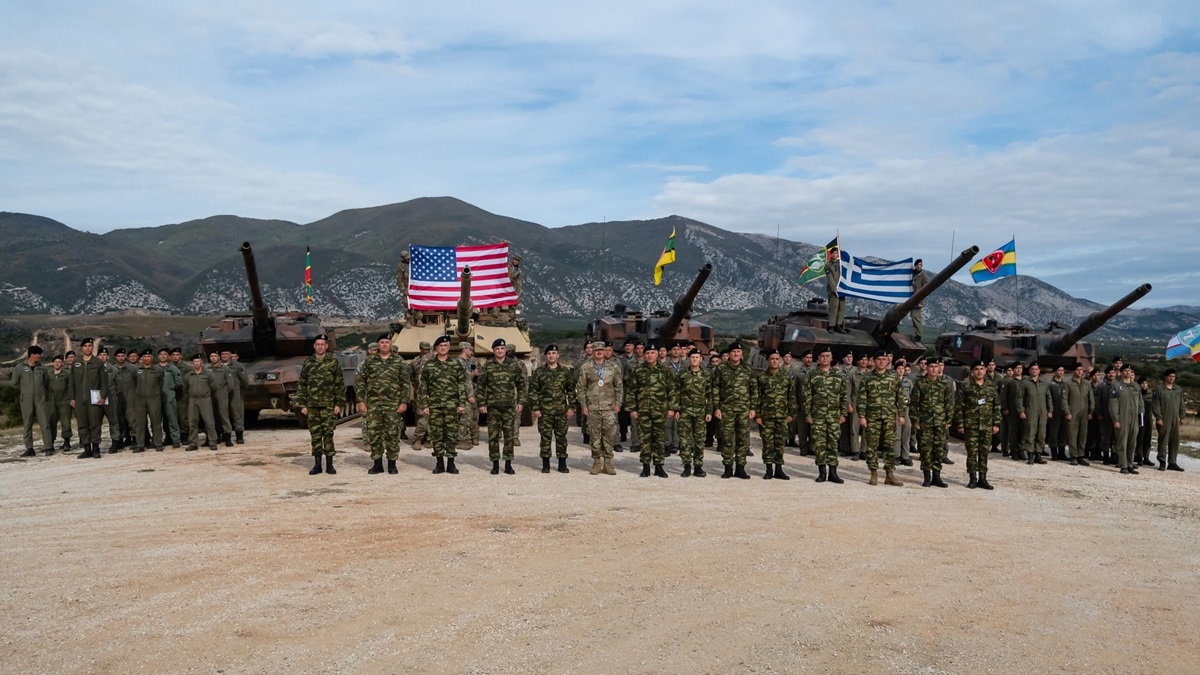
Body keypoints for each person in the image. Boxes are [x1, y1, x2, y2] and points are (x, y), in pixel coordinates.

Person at [357, 334, 412, 475]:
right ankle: (377, 464)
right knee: (374, 434)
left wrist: (404, 402)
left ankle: (392, 464)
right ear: (378, 345)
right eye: (382, 342)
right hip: (373, 404)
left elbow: (405, 383)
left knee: (392, 434)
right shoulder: (369, 362)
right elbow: (361, 382)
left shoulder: (399, 362)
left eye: (387, 342)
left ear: (391, 345)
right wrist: (361, 401)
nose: (385, 345)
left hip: (393, 405)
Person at [856, 349, 906, 486]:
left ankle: (889, 474)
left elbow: (900, 398)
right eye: (879, 359)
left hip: (889, 416)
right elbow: (861, 399)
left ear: (887, 361)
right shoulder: (867, 378)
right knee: (871, 445)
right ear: (874, 361)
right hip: (872, 417)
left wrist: (901, 415)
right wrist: (862, 416)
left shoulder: (894, 377)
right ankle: (874, 473)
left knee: (890, 445)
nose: (881, 361)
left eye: (884, 359)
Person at [295, 335, 343, 475]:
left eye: (323, 344)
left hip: (328, 404)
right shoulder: (308, 362)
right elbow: (302, 383)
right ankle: (317, 465)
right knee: (315, 435)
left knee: (328, 434)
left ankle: (329, 465)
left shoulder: (333, 362)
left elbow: (339, 384)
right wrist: (302, 404)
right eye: (318, 344)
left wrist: (338, 403)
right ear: (314, 346)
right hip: (312, 405)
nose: (320, 346)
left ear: (326, 346)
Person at [419, 335, 468, 474]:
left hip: (452, 405)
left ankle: (451, 463)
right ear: (436, 348)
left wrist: (461, 403)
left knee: (451, 434)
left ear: (448, 348)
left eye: (445, 346)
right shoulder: (429, 365)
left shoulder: (455, 364)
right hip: (435, 405)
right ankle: (439, 463)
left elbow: (461, 385)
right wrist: (425, 405)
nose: (443, 348)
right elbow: (424, 387)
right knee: (437, 434)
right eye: (440, 346)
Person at [477, 338, 525, 475]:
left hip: (509, 406)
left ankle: (508, 463)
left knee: (509, 436)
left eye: (502, 348)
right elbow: (480, 386)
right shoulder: (487, 366)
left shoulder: (513, 365)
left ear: (505, 350)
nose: (500, 351)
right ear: (493, 350)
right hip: (493, 407)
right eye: (497, 349)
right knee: (493, 436)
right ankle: (495, 464)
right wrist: (481, 403)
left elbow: (521, 385)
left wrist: (521, 402)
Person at [712, 341, 757, 479]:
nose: (736, 354)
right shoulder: (721, 369)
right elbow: (715, 388)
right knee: (727, 438)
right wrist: (717, 407)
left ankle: (740, 468)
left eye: (738, 352)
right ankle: (727, 467)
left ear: (741, 354)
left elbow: (753, 390)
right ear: (729, 354)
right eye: (733, 352)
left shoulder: (748, 368)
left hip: (743, 409)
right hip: (727, 409)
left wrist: (753, 408)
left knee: (742, 439)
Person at [954, 360, 1001, 489]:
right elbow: (959, 407)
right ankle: (972, 478)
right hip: (971, 424)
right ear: (972, 371)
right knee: (972, 452)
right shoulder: (966, 386)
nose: (979, 371)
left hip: (986, 425)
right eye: (976, 369)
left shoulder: (991, 386)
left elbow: (996, 406)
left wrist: (996, 423)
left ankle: (983, 478)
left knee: (984, 451)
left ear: (985, 370)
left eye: (981, 368)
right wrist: (960, 424)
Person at [577, 340, 622, 475]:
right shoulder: (586, 367)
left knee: (609, 435)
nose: (599, 353)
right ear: (593, 352)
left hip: (609, 407)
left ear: (605, 352)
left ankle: (608, 463)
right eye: (596, 351)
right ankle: (597, 462)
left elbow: (618, 387)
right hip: (593, 408)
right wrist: (583, 405)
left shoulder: (613, 367)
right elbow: (581, 388)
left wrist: (618, 404)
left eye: (601, 351)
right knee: (594, 436)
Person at [528, 344, 575, 473]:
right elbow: (533, 392)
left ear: (558, 355)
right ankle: (546, 464)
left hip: (561, 412)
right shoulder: (539, 372)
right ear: (545, 356)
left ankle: (562, 464)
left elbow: (571, 391)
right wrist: (536, 408)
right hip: (545, 412)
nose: (551, 356)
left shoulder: (565, 372)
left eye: (554, 353)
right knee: (545, 438)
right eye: (549, 353)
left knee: (561, 438)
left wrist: (571, 407)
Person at [630, 343, 674, 478]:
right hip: (643, 410)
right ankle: (646, 466)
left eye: (652, 353)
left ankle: (659, 466)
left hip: (660, 410)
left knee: (659, 439)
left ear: (657, 354)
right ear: (644, 355)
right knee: (645, 439)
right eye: (647, 353)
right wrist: (633, 409)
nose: (650, 355)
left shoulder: (665, 371)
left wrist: (671, 408)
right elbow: (632, 391)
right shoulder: (638, 371)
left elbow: (672, 390)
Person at [805, 346, 848, 483]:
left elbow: (843, 396)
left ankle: (833, 473)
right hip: (818, 415)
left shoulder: (839, 375)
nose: (825, 358)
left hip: (834, 415)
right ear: (818, 358)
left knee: (833, 442)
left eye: (827, 356)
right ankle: (822, 472)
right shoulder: (812, 374)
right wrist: (808, 414)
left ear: (831, 358)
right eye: (822, 356)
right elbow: (807, 396)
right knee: (819, 443)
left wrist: (843, 413)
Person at [911, 357, 952, 487]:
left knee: (938, 449)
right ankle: (927, 477)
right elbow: (914, 404)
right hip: (925, 422)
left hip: (940, 422)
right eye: (931, 367)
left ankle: (937, 476)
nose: (934, 369)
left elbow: (949, 404)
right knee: (925, 449)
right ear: (927, 368)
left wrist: (948, 419)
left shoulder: (944, 384)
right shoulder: (920, 384)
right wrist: (915, 420)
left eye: (936, 367)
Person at [756, 350, 795, 480]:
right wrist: (757, 415)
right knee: (767, 443)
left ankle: (779, 469)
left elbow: (791, 397)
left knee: (780, 443)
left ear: (780, 360)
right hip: (766, 416)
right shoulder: (762, 377)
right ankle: (768, 469)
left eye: (777, 359)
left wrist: (791, 413)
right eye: (772, 359)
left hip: (782, 416)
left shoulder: (786, 377)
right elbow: (757, 397)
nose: (774, 361)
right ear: (768, 360)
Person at [674, 348, 712, 477]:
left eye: (697, 357)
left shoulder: (706, 375)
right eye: (693, 357)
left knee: (699, 440)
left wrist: (709, 411)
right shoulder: (682, 374)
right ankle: (686, 465)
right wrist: (677, 409)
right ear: (689, 359)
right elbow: (676, 392)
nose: (695, 359)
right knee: (685, 439)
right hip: (685, 411)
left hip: (701, 412)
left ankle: (698, 466)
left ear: (701, 359)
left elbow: (710, 395)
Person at [70, 338, 108, 459]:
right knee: (82, 424)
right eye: (85, 345)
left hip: (94, 398)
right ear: (82, 348)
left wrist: (103, 397)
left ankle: (96, 448)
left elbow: (103, 382)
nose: (88, 347)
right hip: (80, 398)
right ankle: (87, 449)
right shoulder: (76, 363)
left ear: (93, 347)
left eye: (90, 345)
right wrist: (71, 398)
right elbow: (71, 383)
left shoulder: (98, 363)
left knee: (95, 423)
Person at [11, 345, 52, 456]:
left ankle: (48, 447)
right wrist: (25, 390)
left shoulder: (42, 368)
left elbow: (47, 382)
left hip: (41, 400)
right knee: (27, 424)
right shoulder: (19, 368)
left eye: (40, 354)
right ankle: (29, 448)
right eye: (38, 354)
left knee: (44, 423)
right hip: (26, 400)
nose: (40, 356)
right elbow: (14, 384)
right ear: (31, 355)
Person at [1109, 364, 1143, 475]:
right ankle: (1123, 465)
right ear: (1122, 372)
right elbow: (1113, 404)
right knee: (1122, 442)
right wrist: (1116, 420)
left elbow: (1141, 404)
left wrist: (1140, 420)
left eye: (1130, 370)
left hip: (1135, 419)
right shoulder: (1116, 386)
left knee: (1132, 443)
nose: (1128, 372)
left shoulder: (1136, 386)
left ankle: (1130, 464)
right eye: (1126, 370)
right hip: (1122, 417)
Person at [182, 354, 219, 451]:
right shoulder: (189, 375)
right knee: (192, 422)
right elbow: (185, 388)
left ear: (201, 362)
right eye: (195, 361)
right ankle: (193, 443)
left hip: (205, 399)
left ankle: (212, 442)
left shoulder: (208, 374)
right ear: (192, 363)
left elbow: (214, 387)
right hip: (193, 400)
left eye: (198, 361)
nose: (197, 363)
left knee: (209, 421)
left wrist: (206, 393)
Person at [129, 349, 164, 452]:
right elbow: (134, 384)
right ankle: (140, 444)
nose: (146, 358)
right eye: (144, 357)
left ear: (152, 358)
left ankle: (158, 443)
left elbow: (161, 384)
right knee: (140, 423)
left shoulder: (158, 370)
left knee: (156, 421)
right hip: (140, 399)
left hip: (154, 399)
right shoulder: (137, 370)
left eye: (148, 357)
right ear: (142, 358)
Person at [1018, 362, 1052, 465]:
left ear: (1039, 371)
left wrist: (1050, 410)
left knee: (1041, 433)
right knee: (1030, 433)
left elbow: (1048, 397)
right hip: (1030, 411)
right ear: (1029, 371)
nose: (1034, 371)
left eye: (1036, 369)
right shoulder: (1025, 383)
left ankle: (1038, 455)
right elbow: (1020, 398)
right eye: (1032, 369)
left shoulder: (1044, 383)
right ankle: (1030, 455)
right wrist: (1021, 411)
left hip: (1042, 411)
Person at [1153, 369, 1186, 471]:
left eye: (1173, 376)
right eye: (1170, 376)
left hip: (1175, 418)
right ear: (1165, 377)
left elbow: (1182, 404)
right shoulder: (1159, 389)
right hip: (1164, 417)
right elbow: (1156, 404)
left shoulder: (1178, 389)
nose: (1171, 378)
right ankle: (1162, 461)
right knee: (1163, 440)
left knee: (1175, 440)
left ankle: (1172, 462)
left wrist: (1182, 416)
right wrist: (1158, 417)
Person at [1064, 362, 1093, 466]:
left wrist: (1090, 411)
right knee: (1072, 435)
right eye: (1077, 370)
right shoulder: (1068, 384)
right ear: (1073, 371)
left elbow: (1091, 399)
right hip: (1073, 412)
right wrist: (1067, 412)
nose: (1080, 372)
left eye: (1081, 370)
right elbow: (1064, 399)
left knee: (1082, 435)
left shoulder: (1087, 383)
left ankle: (1081, 455)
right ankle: (1073, 456)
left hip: (1084, 413)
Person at [46, 354, 73, 453]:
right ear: (53, 363)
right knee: (51, 422)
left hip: (64, 401)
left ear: (62, 363)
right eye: (55, 362)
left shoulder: (67, 373)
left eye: (59, 362)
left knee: (65, 422)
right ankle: (51, 443)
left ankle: (66, 442)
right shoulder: (48, 374)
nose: (57, 363)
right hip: (51, 401)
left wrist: (71, 399)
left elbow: (71, 386)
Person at [410, 341, 434, 451]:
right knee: (422, 417)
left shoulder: (433, 360)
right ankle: (418, 438)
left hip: (432, 392)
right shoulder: (415, 362)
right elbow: (412, 377)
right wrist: (418, 388)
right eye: (425, 349)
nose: (427, 351)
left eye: (428, 349)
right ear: (420, 349)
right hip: (420, 393)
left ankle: (430, 438)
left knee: (432, 416)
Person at [156, 348, 182, 448]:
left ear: (168, 356)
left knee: (172, 418)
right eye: (161, 354)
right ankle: (166, 438)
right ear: (158, 356)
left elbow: (179, 381)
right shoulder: (155, 368)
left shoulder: (172, 368)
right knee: (160, 420)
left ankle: (176, 439)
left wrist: (171, 388)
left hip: (169, 397)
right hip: (157, 398)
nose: (163, 356)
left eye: (165, 354)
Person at [456, 342, 479, 450]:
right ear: (464, 349)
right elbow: (464, 380)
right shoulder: (458, 362)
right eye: (470, 349)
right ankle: (460, 440)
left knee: (472, 416)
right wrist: (469, 395)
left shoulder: (468, 362)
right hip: (462, 394)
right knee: (464, 417)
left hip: (471, 392)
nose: (472, 352)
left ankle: (468, 437)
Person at [220, 349, 247, 444]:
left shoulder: (237, 366)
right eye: (222, 354)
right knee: (223, 415)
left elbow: (244, 380)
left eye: (226, 354)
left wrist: (239, 389)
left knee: (237, 414)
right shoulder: (217, 365)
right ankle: (225, 435)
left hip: (235, 392)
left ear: (230, 355)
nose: (224, 355)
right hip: (221, 393)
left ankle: (239, 436)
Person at [825, 245, 846, 333]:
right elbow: (830, 278)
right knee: (834, 307)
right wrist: (834, 288)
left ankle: (839, 324)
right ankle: (832, 326)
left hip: (842, 289)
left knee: (842, 307)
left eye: (836, 253)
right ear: (831, 254)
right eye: (833, 253)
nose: (835, 254)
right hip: (833, 289)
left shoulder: (841, 263)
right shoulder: (828, 265)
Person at [910, 259, 927, 338]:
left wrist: (921, 302)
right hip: (908, 298)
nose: (920, 266)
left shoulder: (923, 276)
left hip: (917, 299)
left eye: (921, 264)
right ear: (915, 265)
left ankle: (918, 335)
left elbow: (925, 290)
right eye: (919, 264)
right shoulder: (911, 274)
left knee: (916, 316)